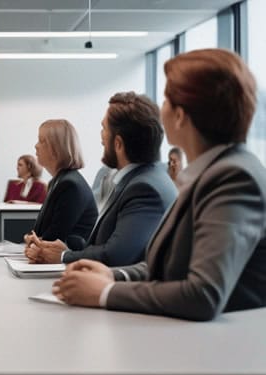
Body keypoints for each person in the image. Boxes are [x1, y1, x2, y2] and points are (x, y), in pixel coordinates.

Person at [53, 49, 266, 321]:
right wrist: (114, 275)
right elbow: (170, 268)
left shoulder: (234, 178)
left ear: (179, 116)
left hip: (221, 352)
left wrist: (106, 292)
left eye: (166, 99)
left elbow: (203, 294)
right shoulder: (211, 172)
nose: (159, 108)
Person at [26, 92, 178, 267]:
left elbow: (115, 255)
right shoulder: (139, 179)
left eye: (104, 129)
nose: (101, 138)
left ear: (118, 144)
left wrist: (64, 256)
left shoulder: (144, 189)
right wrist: (67, 251)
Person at [23, 119, 98, 250]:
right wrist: (32, 238)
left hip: (70, 264)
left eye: (41, 141)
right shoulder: (57, 181)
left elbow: (54, 238)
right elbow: (40, 233)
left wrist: (35, 241)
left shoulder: (70, 185)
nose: (36, 146)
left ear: (56, 148)